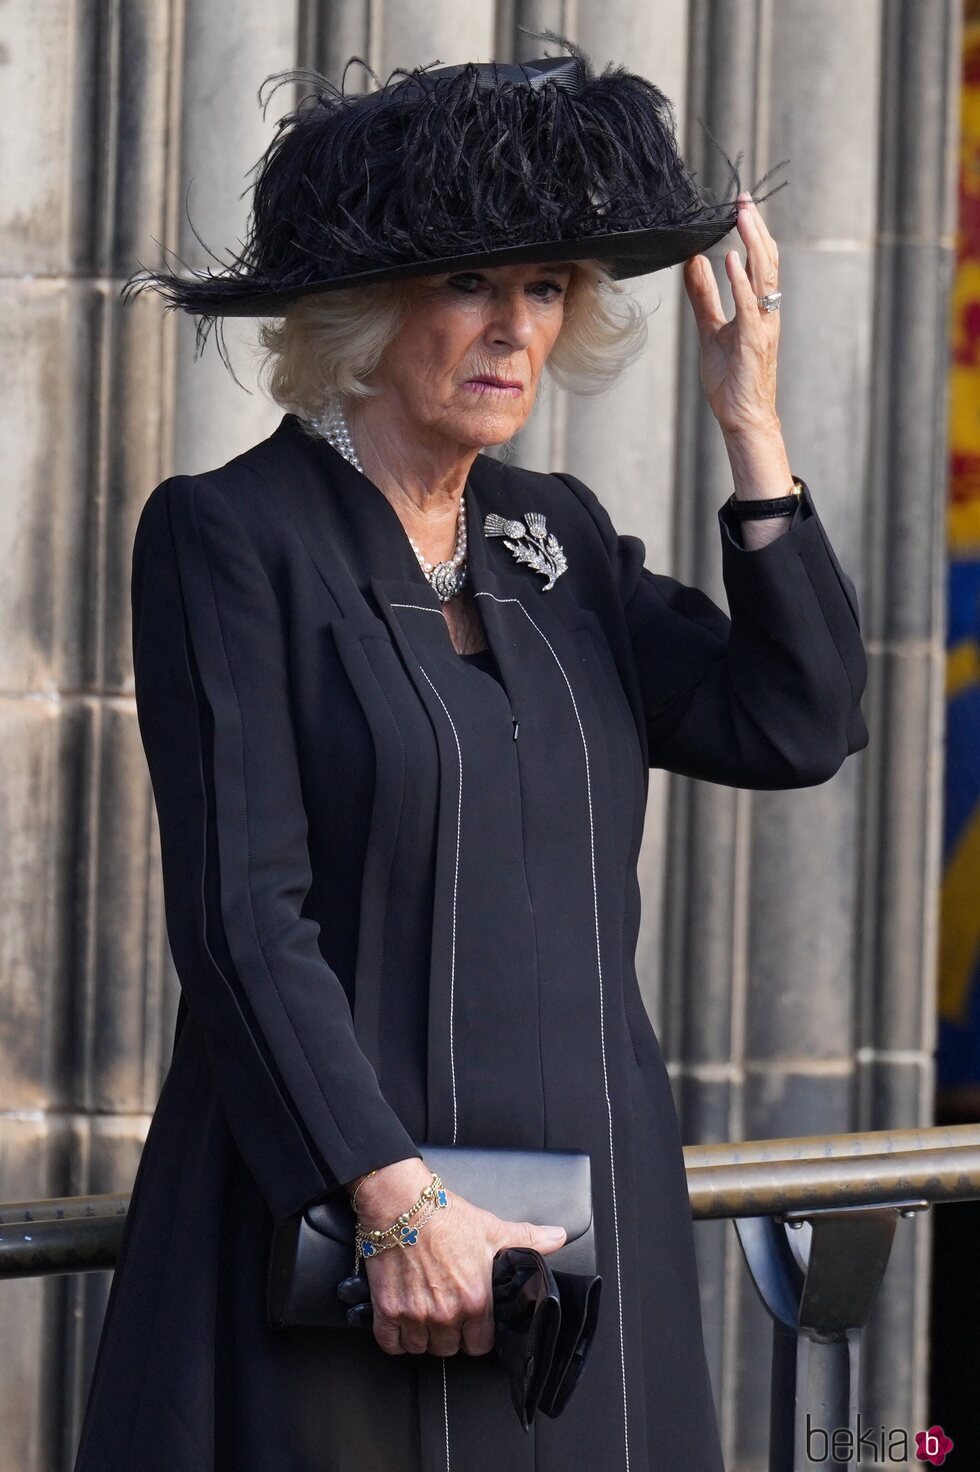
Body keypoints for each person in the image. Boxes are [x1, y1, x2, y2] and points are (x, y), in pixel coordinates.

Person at [73, 37, 869, 1472]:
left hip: (577, 1240)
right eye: (471, 284)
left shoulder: (555, 533)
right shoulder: (228, 535)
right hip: (343, 1244)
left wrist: (751, 427)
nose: (516, 328)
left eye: (546, 289)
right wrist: (394, 1200)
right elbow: (244, 921)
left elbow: (795, 723)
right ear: (368, 307)